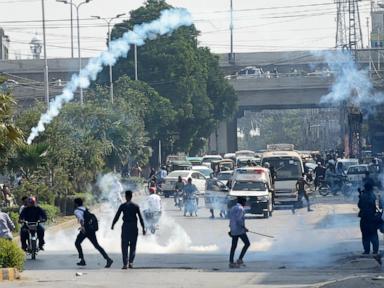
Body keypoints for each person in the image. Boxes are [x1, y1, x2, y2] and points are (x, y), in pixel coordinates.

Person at [74, 198, 113, 268]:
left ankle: (82, 260)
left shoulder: (77, 211)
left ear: (76, 204)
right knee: (97, 245)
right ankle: (108, 259)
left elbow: (81, 219)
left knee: (77, 243)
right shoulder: (84, 208)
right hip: (91, 229)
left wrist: (82, 227)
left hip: (85, 230)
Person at [111, 190, 145, 269]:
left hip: (125, 227)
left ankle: (125, 264)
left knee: (124, 246)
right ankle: (131, 262)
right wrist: (143, 228)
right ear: (131, 196)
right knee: (133, 246)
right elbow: (140, 218)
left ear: (126, 196)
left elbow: (117, 216)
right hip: (133, 227)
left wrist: (113, 224)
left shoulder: (122, 206)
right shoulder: (136, 206)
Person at [228, 196, 250, 269]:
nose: (245, 203)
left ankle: (231, 262)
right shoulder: (240, 209)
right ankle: (240, 259)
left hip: (233, 229)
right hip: (239, 230)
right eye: (245, 202)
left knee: (233, 246)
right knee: (247, 243)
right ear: (242, 202)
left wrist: (231, 229)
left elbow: (231, 219)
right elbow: (239, 220)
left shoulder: (233, 208)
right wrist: (244, 227)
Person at [358, 183, 379, 255]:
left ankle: (367, 250)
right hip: (373, 218)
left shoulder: (364, 196)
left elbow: (360, 205)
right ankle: (375, 250)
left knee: (365, 235)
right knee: (374, 234)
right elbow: (377, 207)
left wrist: (360, 196)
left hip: (365, 218)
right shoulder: (374, 196)